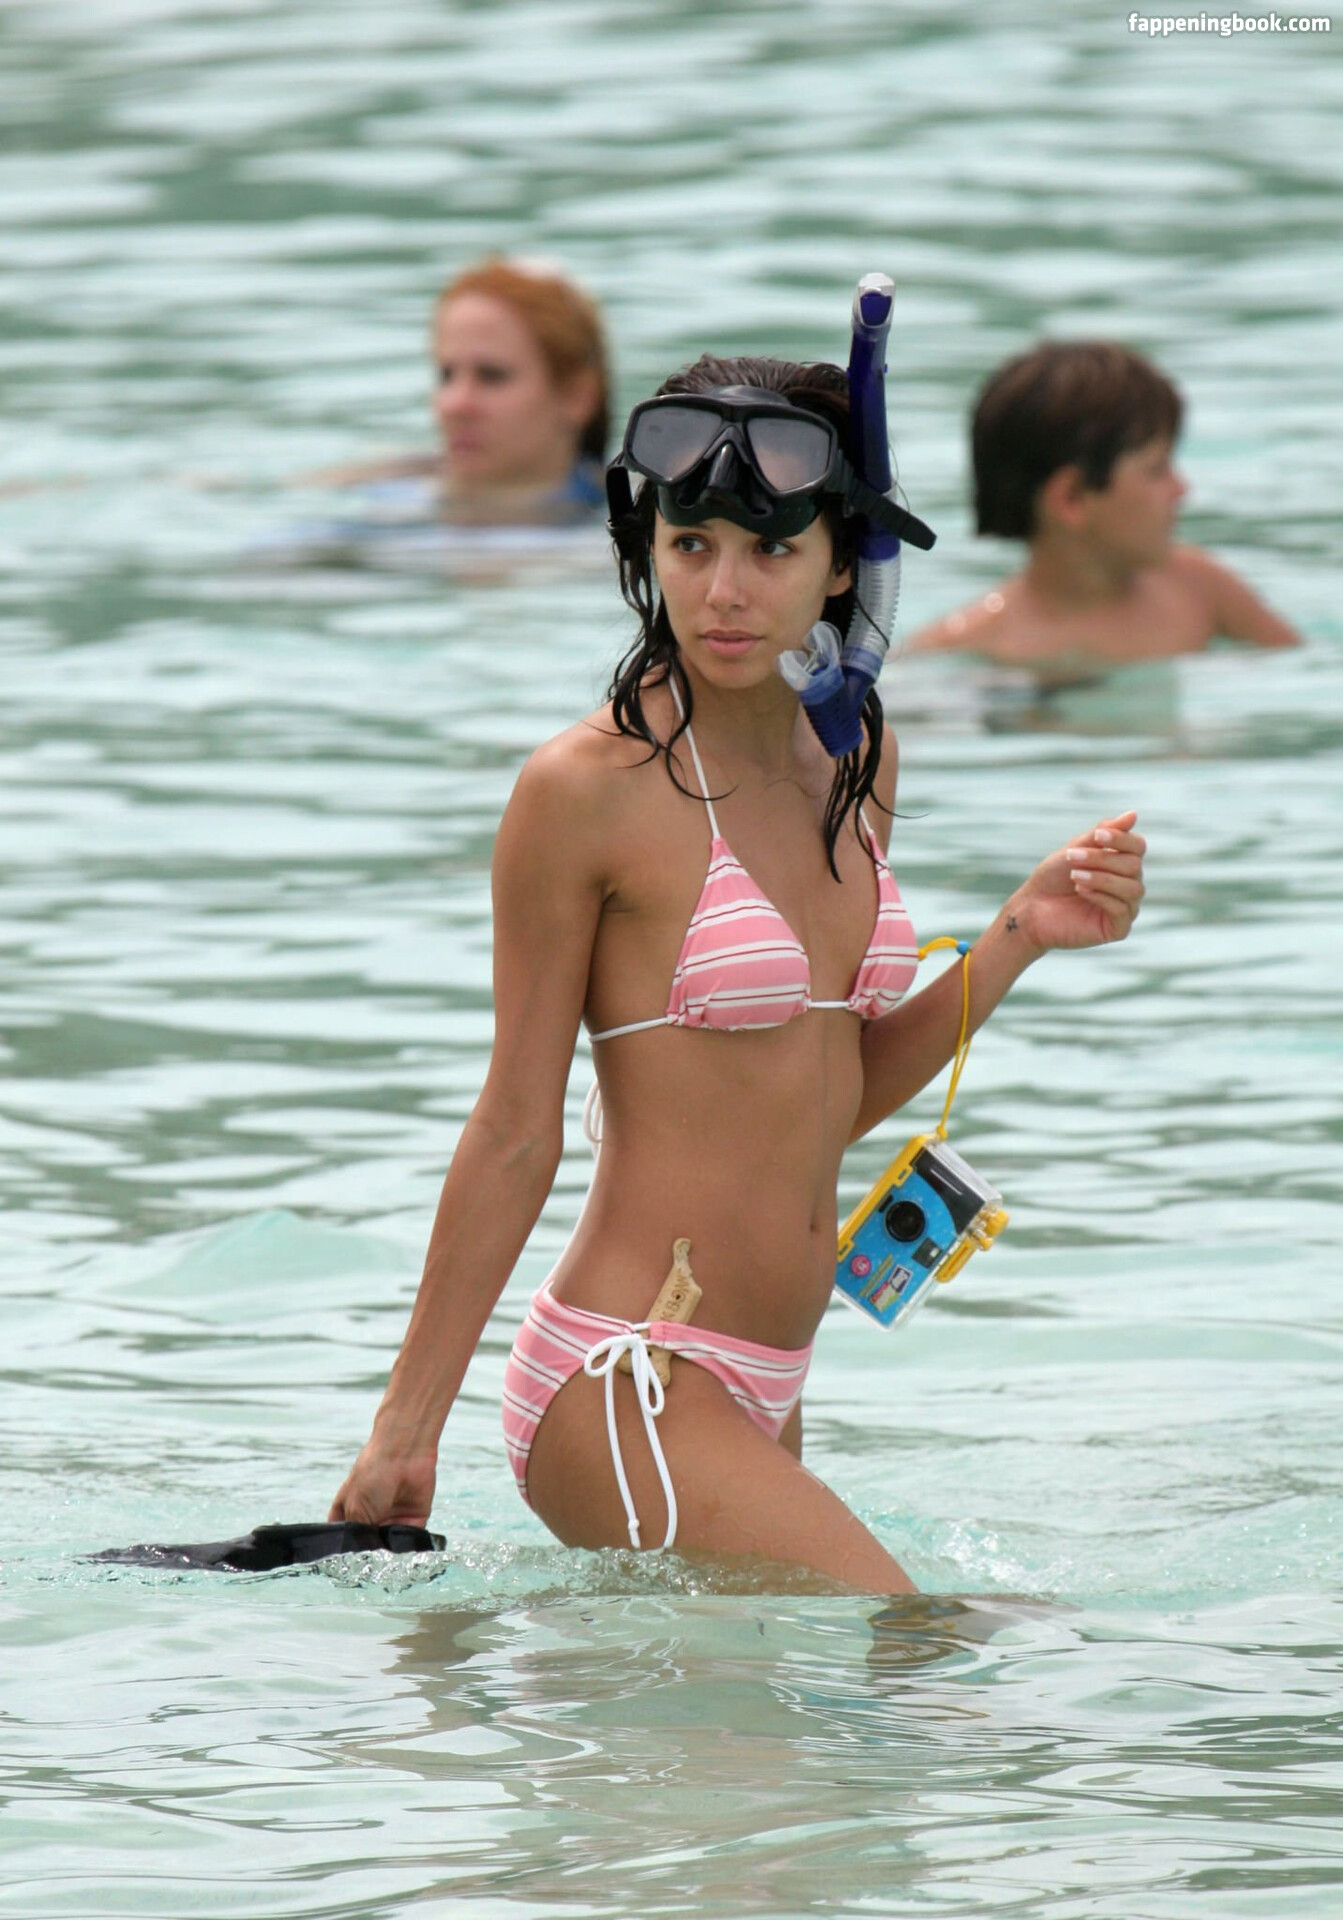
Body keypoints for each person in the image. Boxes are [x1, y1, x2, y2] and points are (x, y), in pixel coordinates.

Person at [329, 350, 1147, 1594]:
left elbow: (822, 1092)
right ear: (647, 548)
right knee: (916, 1636)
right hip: (628, 1369)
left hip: (772, 1379)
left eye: (770, 551)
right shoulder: (582, 790)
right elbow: (513, 1125)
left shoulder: (856, 760)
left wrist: (1017, 936)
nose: (722, 590)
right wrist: (404, 1428)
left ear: (840, 564)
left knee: (777, 1727)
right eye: (690, 544)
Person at [909, 341, 1300, 671]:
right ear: (1072, 499)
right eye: (1156, 469)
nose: (1182, 490)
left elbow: (1299, 670)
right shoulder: (975, 651)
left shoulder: (1200, 589)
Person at [308, 256, 611, 525]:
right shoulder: (377, 495)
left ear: (577, 397)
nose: (454, 404)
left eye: (491, 376)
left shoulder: (619, 527)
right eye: (447, 375)